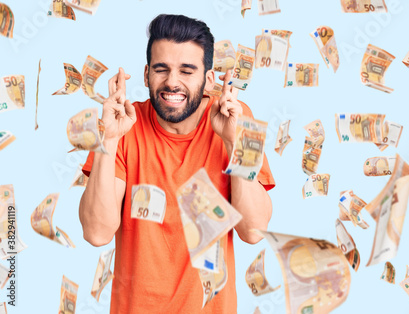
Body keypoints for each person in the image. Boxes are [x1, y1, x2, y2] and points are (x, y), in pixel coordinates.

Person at [79, 14, 275, 313]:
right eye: (161, 69)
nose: (172, 82)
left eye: (187, 70)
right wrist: (108, 140)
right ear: (146, 75)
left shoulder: (237, 118)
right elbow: (96, 233)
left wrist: (234, 144)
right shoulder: (121, 126)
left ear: (208, 79)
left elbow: (254, 231)